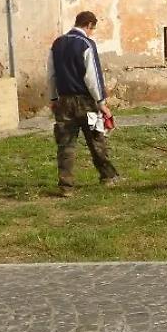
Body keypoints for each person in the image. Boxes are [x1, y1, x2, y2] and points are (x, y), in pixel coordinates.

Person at [46, 11, 122, 196]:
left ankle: (66, 186)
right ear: (88, 25)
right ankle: (107, 177)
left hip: (63, 101)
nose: (92, 33)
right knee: (96, 139)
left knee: (65, 144)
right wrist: (101, 103)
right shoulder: (86, 44)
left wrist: (53, 98)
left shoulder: (57, 44)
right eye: (93, 29)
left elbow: (51, 74)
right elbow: (92, 77)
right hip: (86, 102)